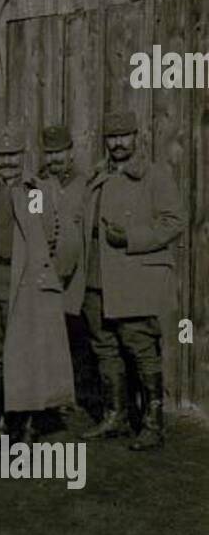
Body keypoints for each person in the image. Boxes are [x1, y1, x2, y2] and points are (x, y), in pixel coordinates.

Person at [0, 123, 74, 444]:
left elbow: (48, 236)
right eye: (1, 157)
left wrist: (42, 276)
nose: (7, 163)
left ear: (22, 157)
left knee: (23, 356)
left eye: (13, 156)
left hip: (24, 287)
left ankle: (21, 426)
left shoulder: (35, 192)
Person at [77, 110, 183, 450]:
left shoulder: (155, 176)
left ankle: (153, 425)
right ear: (105, 140)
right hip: (95, 278)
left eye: (125, 136)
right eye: (112, 137)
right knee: (104, 348)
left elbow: (175, 221)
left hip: (133, 279)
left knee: (140, 348)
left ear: (137, 136)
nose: (118, 143)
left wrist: (133, 238)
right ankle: (115, 417)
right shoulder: (97, 175)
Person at [38, 124, 97, 413]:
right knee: (49, 339)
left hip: (77, 279)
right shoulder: (37, 185)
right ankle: (55, 397)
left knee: (80, 338)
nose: (54, 160)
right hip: (47, 275)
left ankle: (84, 395)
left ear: (70, 153)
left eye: (59, 153)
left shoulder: (84, 185)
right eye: (49, 154)